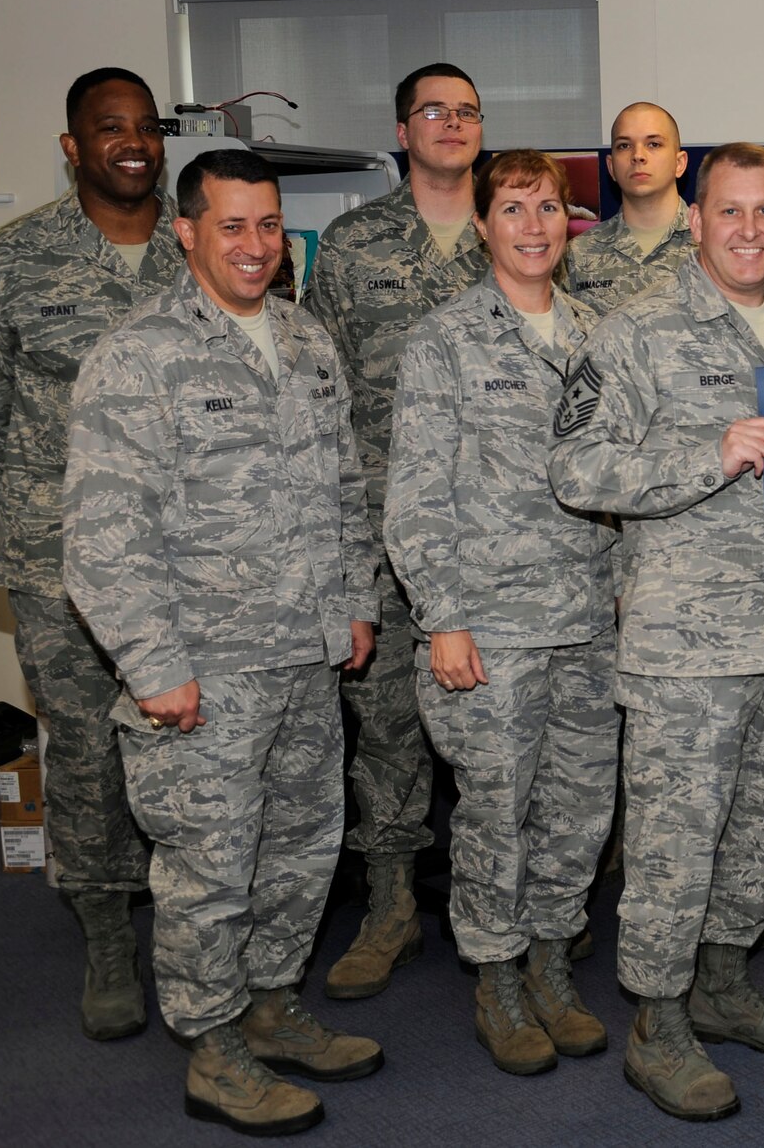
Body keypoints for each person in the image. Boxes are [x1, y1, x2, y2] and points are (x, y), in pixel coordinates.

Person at [548, 142, 764, 1122]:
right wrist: (710, 451)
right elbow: (576, 470)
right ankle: (657, 1021)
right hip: (683, 649)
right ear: (694, 219)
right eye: (726, 211)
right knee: (673, 847)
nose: (746, 229)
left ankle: (722, 984)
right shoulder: (633, 331)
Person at [63, 149, 382, 1135]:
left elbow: (342, 490)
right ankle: (213, 1044)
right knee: (208, 862)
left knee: (298, 847)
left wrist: (355, 600)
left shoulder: (306, 339)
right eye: (232, 226)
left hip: (301, 650)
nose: (255, 246)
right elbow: (101, 530)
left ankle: (271, 1003)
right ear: (186, 231)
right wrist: (154, 666)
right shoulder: (140, 353)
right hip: (199, 668)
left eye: (269, 225)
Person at [0, 67, 181, 1042]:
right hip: (61, 565)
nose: (131, 141)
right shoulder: (10, 260)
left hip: (191, 558)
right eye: (107, 128)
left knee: (186, 741)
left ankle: (194, 923)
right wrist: (55, 517)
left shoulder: (205, 244)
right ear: (73, 147)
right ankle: (105, 936)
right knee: (83, 750)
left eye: (144, 127)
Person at [384, 150, 620, 1076]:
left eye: (549, 207)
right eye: (513, 208)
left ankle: (554, 963)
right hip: (488, 624)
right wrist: (440, 614)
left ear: (571, 222)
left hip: (590, 618)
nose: (533, 225)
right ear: (481, 225)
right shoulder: (445, 338)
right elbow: (415, 492)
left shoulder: (602, 332)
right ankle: (496, 976)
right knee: (493, 810)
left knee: (578, 810)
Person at [300, 62, 492, 1000]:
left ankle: (508, 904)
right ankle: (388, 906)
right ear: (403, 129)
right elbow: (313, 390)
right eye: (433, 111)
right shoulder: (350, 243)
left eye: (466, 112)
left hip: (500, 537)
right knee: (384, 729)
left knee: (505, 720)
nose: (451, 125)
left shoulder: (522, 229)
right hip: (381, 534)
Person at [564, 101, 693, 316]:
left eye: (653, 144)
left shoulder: (714, 244)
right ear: (611, 167)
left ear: (679, 163)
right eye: (624, 145)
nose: (638, 155)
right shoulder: (578, 254)